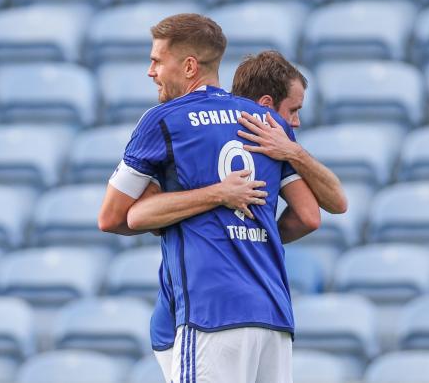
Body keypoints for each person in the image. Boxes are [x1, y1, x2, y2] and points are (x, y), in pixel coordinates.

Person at [98, 13, 327, 382]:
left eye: (157, 60)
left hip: (211, 313)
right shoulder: (267, 123)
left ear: (189, 66)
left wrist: (205, 209)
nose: (150, 71)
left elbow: (112, 217)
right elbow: (308, 215)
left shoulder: (164, 120)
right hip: (273, 314)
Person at [142, 50, 347, 382]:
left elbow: (137, 215)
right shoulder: (268, 140)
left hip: (202, 310)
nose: (294, 122)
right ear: (265, 104)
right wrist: (257, 236)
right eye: (293, 110)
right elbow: (313, 215)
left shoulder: (194, 131)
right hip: (262, 309)